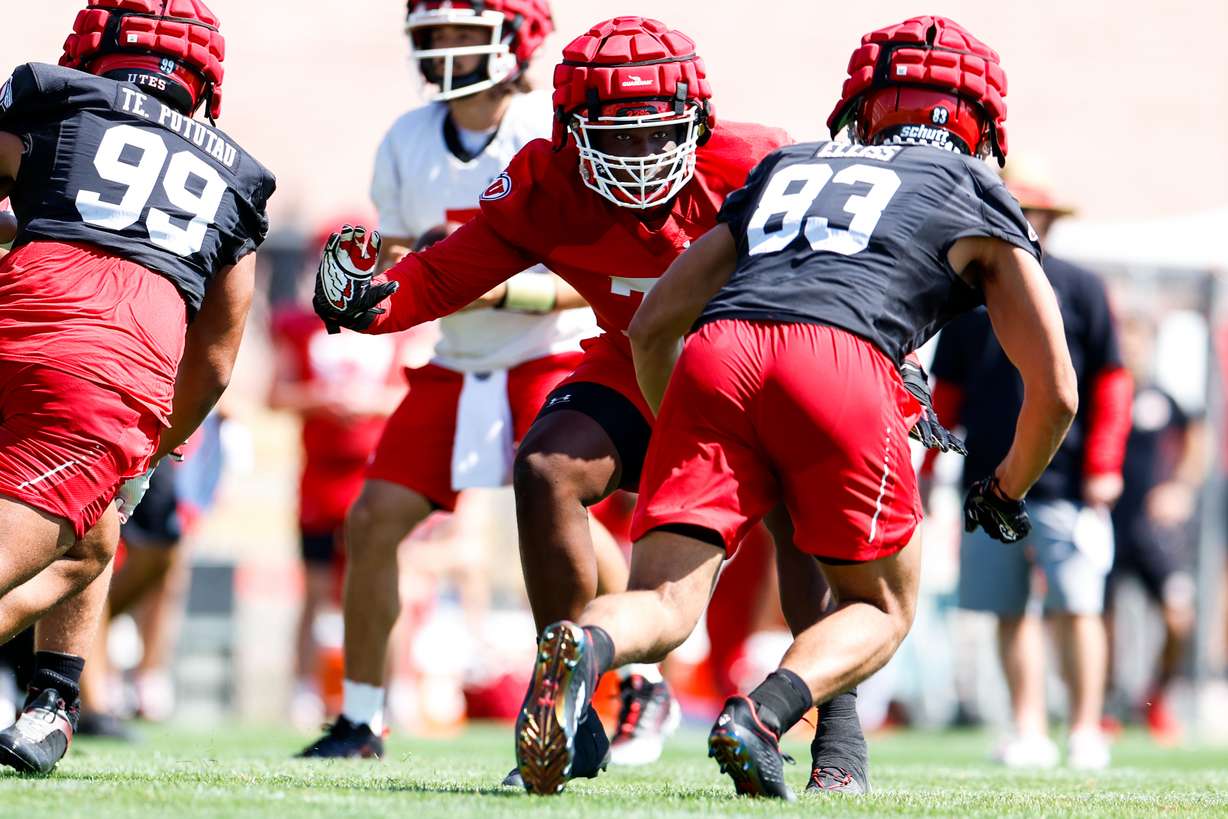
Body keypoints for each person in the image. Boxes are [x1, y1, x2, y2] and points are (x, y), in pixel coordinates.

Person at [314, 15, 965, 792]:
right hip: (637, 362)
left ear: (698, 121)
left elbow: (853, 286)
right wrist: (369, 302)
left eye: (658, 134)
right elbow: (441, 275)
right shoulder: (547, 184)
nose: (639, 156)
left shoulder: (756, 161)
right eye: (614, 138)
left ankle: (840, 745)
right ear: (569, 133)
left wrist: (887, 373)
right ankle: (568, 704)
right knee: (548, 465)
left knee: (803, 540)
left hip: (762, 372)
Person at [502, 15, 1082, 798]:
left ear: (861, 104)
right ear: (981, 119)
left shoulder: (793, 163)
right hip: (842, 362)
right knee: (879, 605)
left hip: (718, 351)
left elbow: (652, 327)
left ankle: (588, 640)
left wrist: (691, 430)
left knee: (669, 601)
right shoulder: (973, 188)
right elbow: (1055, 391)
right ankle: (765, 714)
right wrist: (1006, 487)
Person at [297, 0, 607, 760]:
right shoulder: (408, 137)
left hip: (549, 351)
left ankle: (622, 676)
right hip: (457, 358)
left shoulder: (547, 132)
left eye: (460, 35)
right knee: (371, 523)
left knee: (569, 529)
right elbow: (400, 255)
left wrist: (501, 290)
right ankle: (361, 718)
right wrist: (358, 283)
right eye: (431, 35)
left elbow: (602, 270)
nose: (442, 50)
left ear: (516, 39)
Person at [0, 0, 274, 773]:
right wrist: (151, 452)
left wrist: (29, 227)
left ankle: (51, 703)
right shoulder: (238, 172)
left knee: (92, 539)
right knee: (72, 537)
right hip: (109, 356)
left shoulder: (50, 95)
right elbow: (217, 355)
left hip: (25, 312)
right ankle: (51, 698)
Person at [929, 159, 1132, 770]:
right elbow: (946, 397)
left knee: (1077, 604)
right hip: (989, 481)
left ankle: (1086, 727)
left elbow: (1111, 385)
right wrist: (929, 467)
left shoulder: (1082, 287)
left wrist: (1104, 464)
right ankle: (1028, 727)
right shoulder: (966, 299)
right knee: (1008, 608)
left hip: (1068, 482)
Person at [269, 226, 411, 730]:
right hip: (320, 477)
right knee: (313, 588)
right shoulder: (296, 325)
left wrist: (368, 403)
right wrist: (322, 401)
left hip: (377, 474)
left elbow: (411, 394)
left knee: (382, 584)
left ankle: (394, 691)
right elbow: (276, 395)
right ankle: (304, 692)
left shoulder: (396, 317)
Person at [1105, 312, 1200, 743]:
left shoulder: (1162, 398)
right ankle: (1105, 708)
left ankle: (1156, 699)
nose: (1131, 348)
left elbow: (1199, 436)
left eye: (1138, 339)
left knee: (1180, 616)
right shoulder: (1097, 391)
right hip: (1104, 526)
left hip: (1151, 532)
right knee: (1098, 623)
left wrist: (1179, 487)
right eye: (1125, 338)